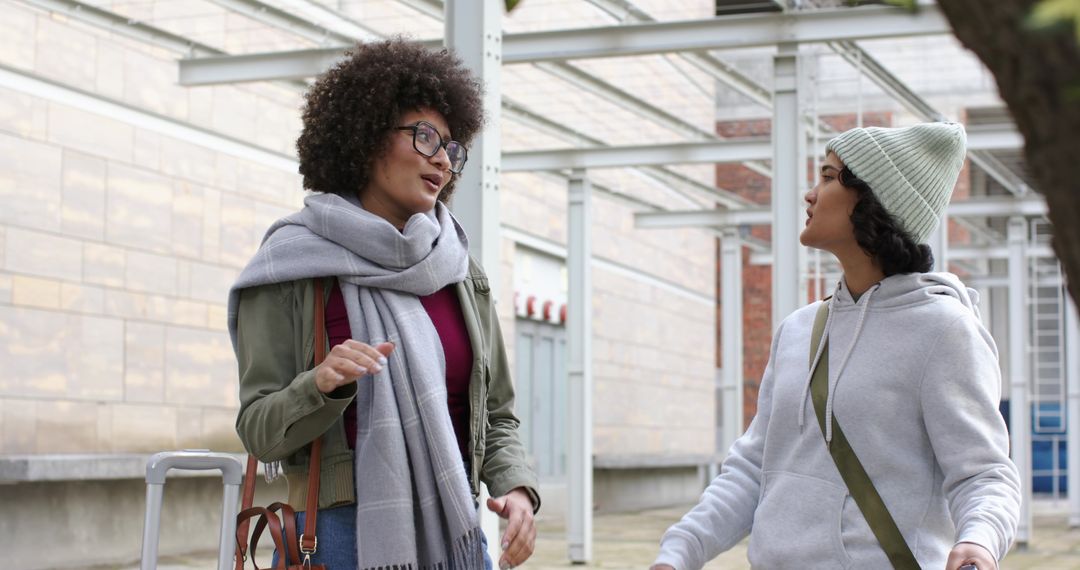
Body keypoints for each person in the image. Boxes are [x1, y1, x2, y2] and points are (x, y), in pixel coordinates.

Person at [227, 39, 539, 570]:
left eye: (451, 147)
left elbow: (497, 416)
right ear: (366, 138)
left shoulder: (461, 270)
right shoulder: (293, 266)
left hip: (455, 530)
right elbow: (258, 428)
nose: (442, 158)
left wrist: (516, 488)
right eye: (424, 137)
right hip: (339, 537)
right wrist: (321, 385)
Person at [652, 122, 1021, 569]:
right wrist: (679, 552)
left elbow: (984, 473)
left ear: (873, 200)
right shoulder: (797, 330)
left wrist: (979, 540)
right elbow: (752, 470)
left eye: (828, 177)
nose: (810, 194)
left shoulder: (944, 331)